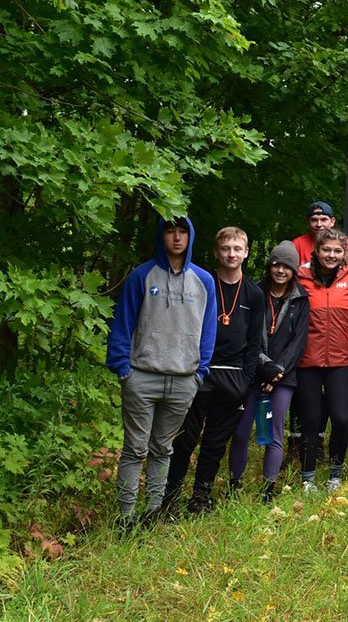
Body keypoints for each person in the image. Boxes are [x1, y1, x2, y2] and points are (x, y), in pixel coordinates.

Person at [105, 217, 217, 527]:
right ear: (162, 235)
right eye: (171, 231)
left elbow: (208, 332)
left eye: (183, 231)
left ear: (191, 236)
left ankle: (152, 514)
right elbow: (123, 325)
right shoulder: (142, 275)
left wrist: (200, 374)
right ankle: (125, 517)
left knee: (163, 449)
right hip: (142, 376)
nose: (177, 238)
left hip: (184, 380)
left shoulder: (204, 281)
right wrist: (123, 370)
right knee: (135, 448)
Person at [165, 227, 264, 514]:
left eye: (237, 249)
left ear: (246, 252)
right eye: (225, 249)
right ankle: (169, 496)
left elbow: (254, 342)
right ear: (215, 252)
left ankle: (200, 496)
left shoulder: (254, 294)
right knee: (184, 439)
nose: (231, 254)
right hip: (200, 373)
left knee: (215, 443)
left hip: (234, 378)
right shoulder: (200, 283)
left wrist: (246, 380)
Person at [228, 240, 310, 503]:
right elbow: (246, 334)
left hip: (284, 378)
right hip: (252, 371)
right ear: (269, 266)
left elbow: (299, 341)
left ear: (294, 270)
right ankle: (234, 484)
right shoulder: (253, 292)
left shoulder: (301, 298)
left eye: (287, 266)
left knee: (274, 432)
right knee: (241, 431)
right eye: (276, 264)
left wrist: (279, 373)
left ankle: (268, 490)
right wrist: (265, 368)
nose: (281, 270)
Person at [297, 228, 348, 491]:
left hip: (340, 360)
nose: (332, 255)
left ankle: (335, 474)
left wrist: (345, 331)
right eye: (327, 250)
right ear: (317, 251)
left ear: (344, 253)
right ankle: (308, 477)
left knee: (342, 419)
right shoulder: (301, 276)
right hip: (307, 360)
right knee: (310, 420)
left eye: (337, 251)